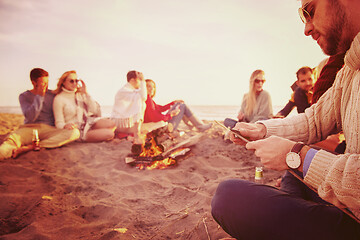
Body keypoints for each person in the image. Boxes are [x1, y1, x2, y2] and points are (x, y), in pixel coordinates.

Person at [211, 0, 360, 239]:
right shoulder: (350, 68)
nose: (306, 28)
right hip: (346, 201)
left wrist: (296, 157)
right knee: (290, 181)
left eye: (309, 11)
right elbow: (314, 121)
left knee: (228, 197)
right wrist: (261, 130)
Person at [0, 68, 80, 160]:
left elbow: (69, 98)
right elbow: (31, 117)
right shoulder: (24, 96)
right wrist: (39, 96)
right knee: (10, 142)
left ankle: (31, 147)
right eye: (43, 83)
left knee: (74, 133)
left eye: (47, 82)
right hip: (29, 129)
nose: (46, 86)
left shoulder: (53, 95)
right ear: (34, 83)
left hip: (49, 129)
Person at [53, 71, 115, 142]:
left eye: (76, 81)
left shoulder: (80, 95)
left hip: (88, 123)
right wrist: (65, 126)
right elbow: (58, 123)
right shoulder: (59, 99)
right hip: (78, 129)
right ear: (63, 82)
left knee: (112, 123)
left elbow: (94, 110)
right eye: (71, 81)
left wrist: (86, 92)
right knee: (109, 134)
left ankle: (98, 133)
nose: (74, 83)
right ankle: (94, 135)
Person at [144, 79, 212, 132]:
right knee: (182, 106)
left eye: (153, 87)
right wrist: (171, 115)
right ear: (143, 88)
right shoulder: (147, 100)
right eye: (148, 86)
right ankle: (199, 126)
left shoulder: (148, 100)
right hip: (162, 129)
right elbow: (155, 118)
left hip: (159, 126)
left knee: (179, 104)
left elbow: (160, 108)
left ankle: (195, 126)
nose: (151, 88)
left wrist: (173, 102)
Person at [111, 71, 147, 144]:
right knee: (140, 101)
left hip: (125, 125)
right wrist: (143, 81)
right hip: (118, 124)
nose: (140, 83)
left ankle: (132, 135)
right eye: (138, 80)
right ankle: (136, 136)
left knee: (147, 129)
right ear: (132, 80)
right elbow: (143, 96)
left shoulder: (132, 91)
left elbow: (143, 95)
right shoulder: (124, 91)